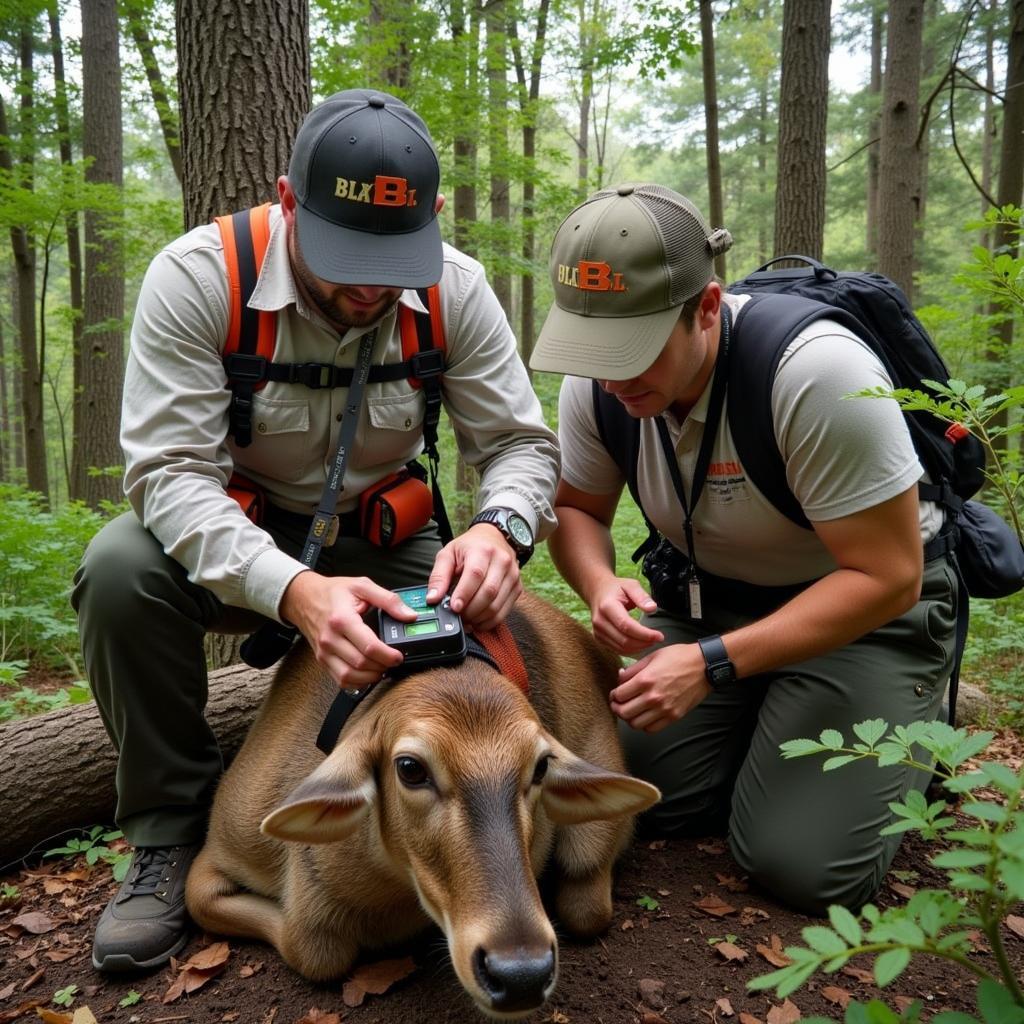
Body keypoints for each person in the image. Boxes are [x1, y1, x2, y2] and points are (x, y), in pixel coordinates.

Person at [73, 89, 559, 971]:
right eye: (345, 256)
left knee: (469, 658)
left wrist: (498, 528)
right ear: (287, 200)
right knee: (117, 572)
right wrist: (291, 589)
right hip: (232, 545)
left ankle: (484, 858)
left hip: (385, 545)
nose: (370, 285)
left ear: (434, 217)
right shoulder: (199, 279)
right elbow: (168, 476)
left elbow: (522, 445)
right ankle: (167, 834)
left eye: (393, 257)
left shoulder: (456, 290)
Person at [529, 183, 957, 914]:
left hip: (866, 621)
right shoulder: (599, 389)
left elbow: (889, 576)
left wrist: (711, 664)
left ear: (705, 306)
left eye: (632, 347)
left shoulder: (815, 374)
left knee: (800, 866)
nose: (610, 373)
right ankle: (767, 723)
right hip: (709, 610)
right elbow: (574, 510)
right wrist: (599, 584)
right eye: (591, 347)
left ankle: (912, 715)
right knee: (611, 794)